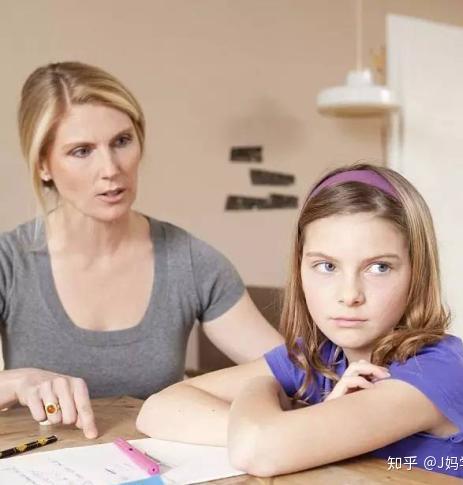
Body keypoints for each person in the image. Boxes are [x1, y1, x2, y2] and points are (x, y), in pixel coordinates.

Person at [137, 164, 463, 484]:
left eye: (379, 267)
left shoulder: (433, 372)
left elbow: (257, 448)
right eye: (327, 266)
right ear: (300, 270)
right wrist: (299, 423)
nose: (350, 294)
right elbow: (159, 408)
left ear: (417, 274)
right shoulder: (319, 356)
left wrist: (265, 390)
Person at [0, 62, 282, 439]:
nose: (111, 168)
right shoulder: (8, 263)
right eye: (82, 151)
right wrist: (18, 382)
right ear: (42, 165)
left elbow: (290, 371)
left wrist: (191, 392)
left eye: (121, 141)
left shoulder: (192, 262)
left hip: (158, 465)